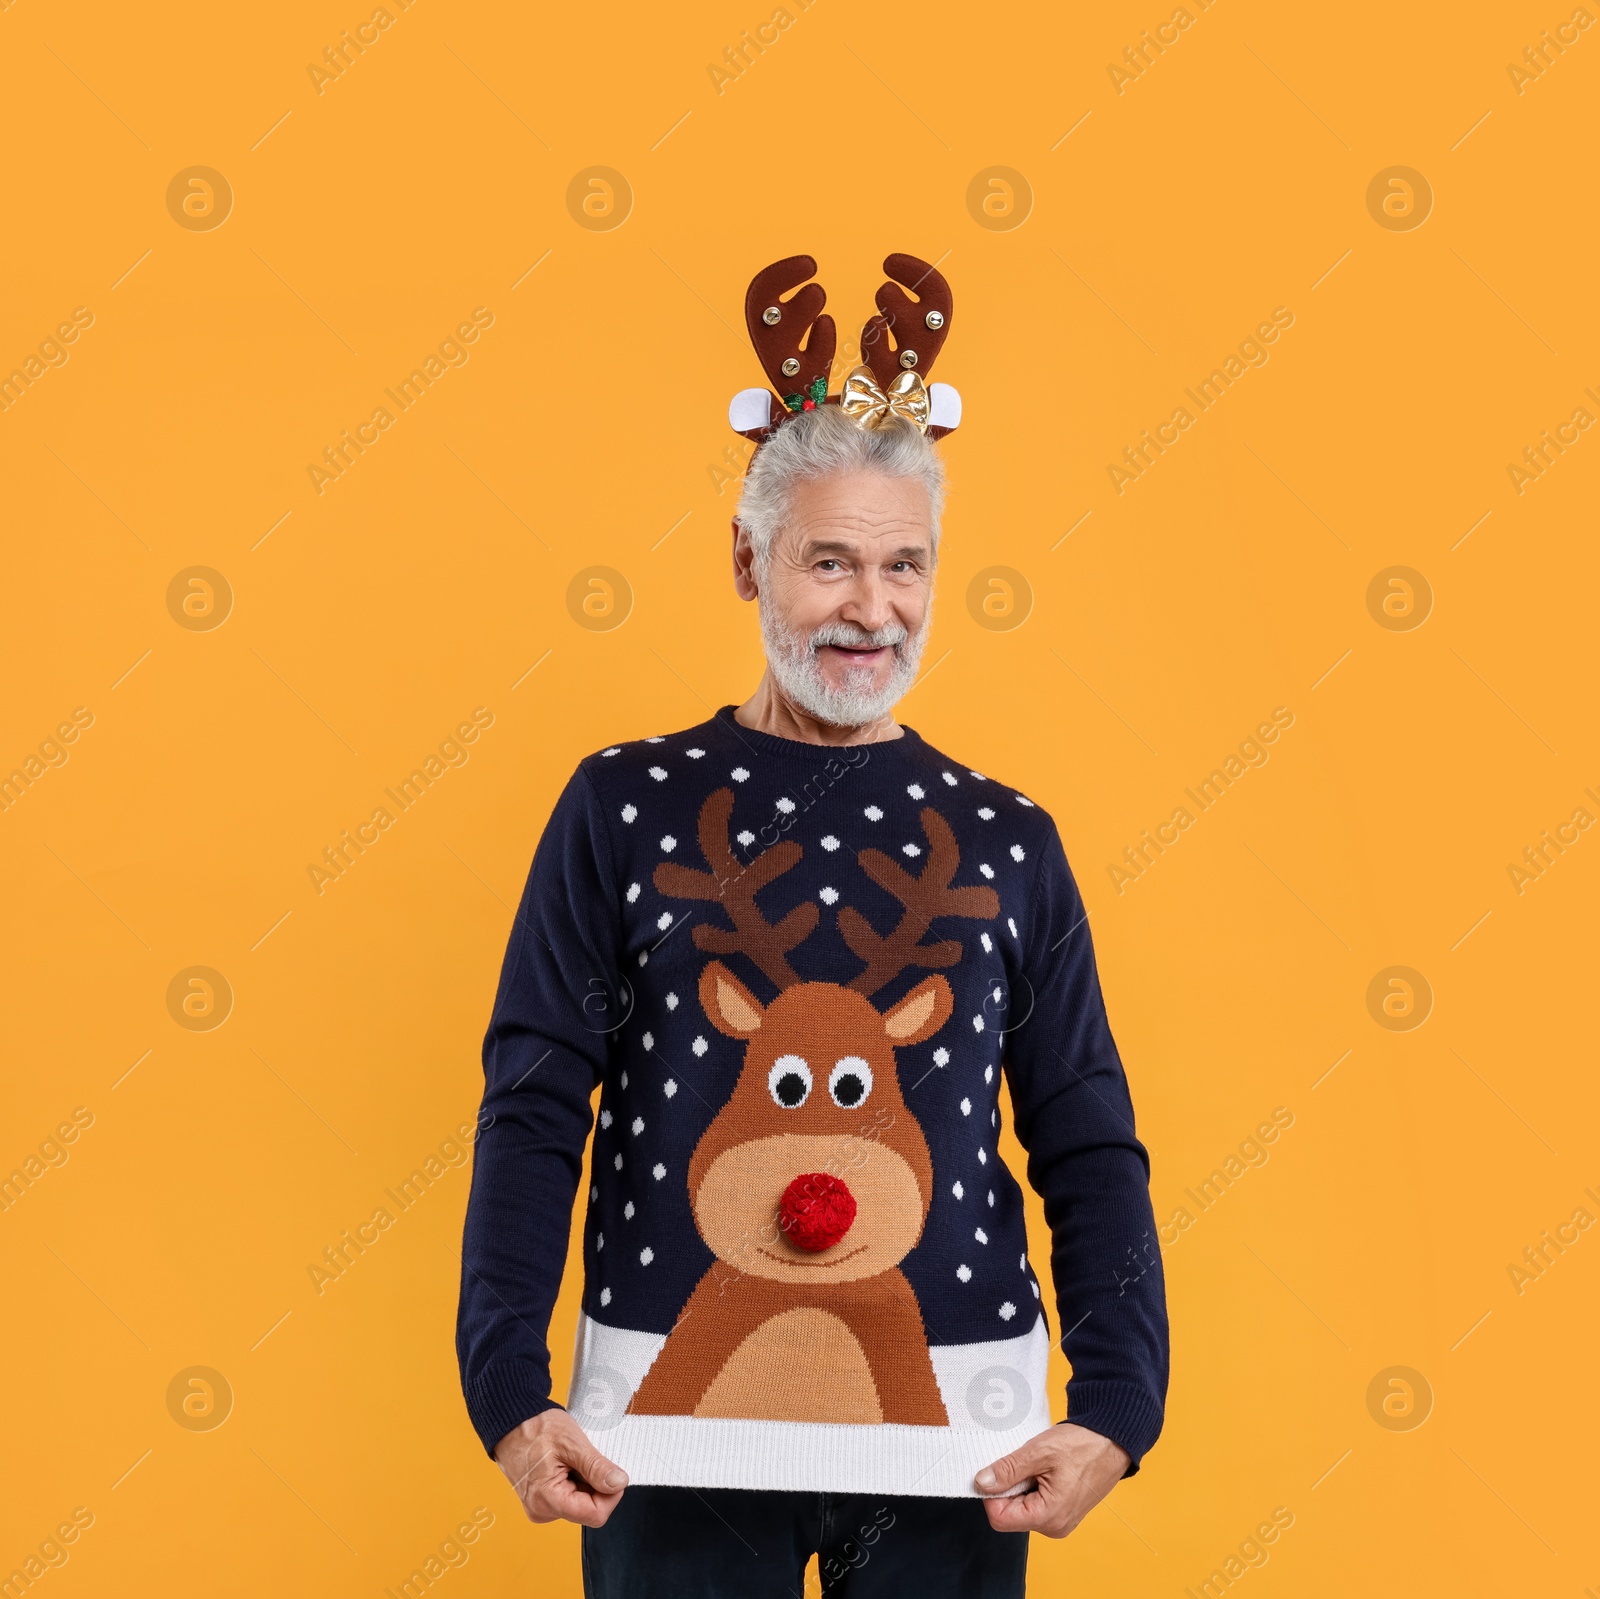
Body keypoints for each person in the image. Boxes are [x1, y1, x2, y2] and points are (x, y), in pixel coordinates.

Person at [456, 255, 1168, 1597]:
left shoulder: (1010, 838)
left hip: (954, 1443)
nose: (872, 609)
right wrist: (507, 1388)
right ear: (747, 559)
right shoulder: (624, 807)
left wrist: (1123, 1404)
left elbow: (1083, 1126)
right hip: (665, 1433)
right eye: (829, 561)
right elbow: (537, 1103)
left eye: (906, 566)